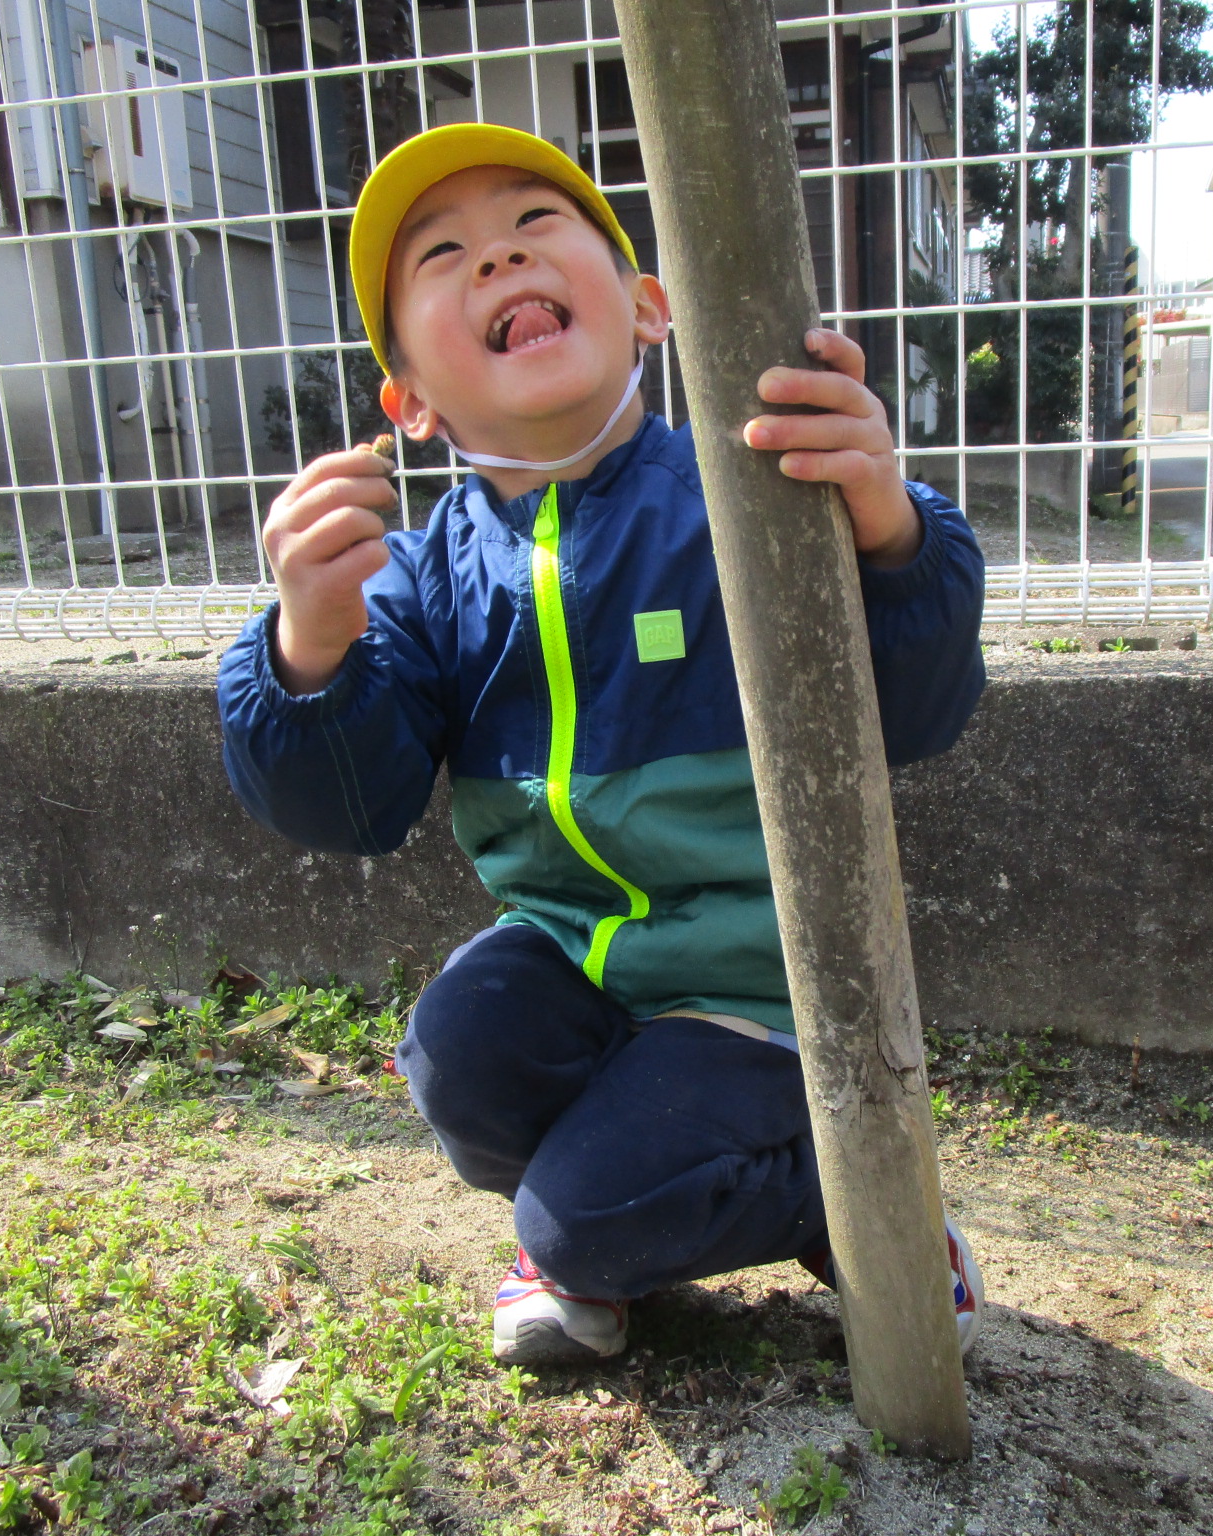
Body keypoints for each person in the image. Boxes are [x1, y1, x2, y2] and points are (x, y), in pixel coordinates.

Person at [219, 124, 988, 1365]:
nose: (496, 258)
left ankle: (865, 1198)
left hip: (764, 995)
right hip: (582, 963)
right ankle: (624, 1197)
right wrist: (308, 644)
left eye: (534, 224)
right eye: (444, 255)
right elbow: (350, 809)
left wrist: (888, 528)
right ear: (408, 403)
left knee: (580, 1219)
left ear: (645, 308)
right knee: (458, 1059)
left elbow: (920, 711)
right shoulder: (421, 581)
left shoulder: (747, 496)